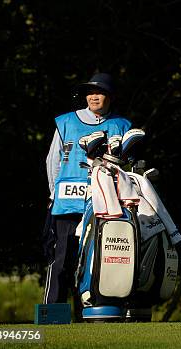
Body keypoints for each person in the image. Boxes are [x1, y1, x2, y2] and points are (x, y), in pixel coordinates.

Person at [43, 73, 131, 306]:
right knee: (62, 261)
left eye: (100, 92)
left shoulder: (123, 125)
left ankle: (99, 313)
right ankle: (53, 313)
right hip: (68, 204)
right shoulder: (65, 122)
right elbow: (53, 161)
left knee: (102, 262)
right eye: (90, 92)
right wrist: (54, 194)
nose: (94, 96)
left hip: (106, 206)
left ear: (110, 97)